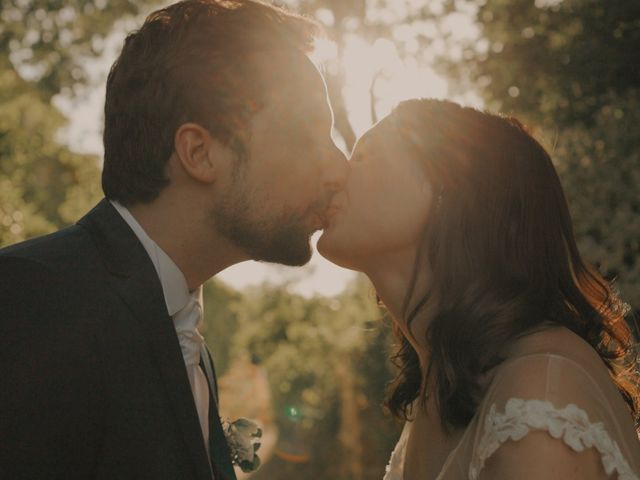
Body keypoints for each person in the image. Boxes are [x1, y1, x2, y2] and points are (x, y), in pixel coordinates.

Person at [0, 1, 347, 479]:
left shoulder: (187, 339)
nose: (338, 167)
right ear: (199, 153)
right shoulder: (34, 300)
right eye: (308, 135)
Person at [318, 98, 640, 479]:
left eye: (363, 157)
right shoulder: (444, 392)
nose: (335, 172)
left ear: (447, 190)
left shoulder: (538, 394)